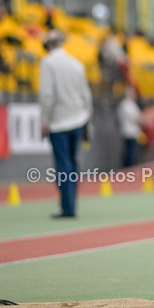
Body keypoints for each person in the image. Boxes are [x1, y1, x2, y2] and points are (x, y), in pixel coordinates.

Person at [39, 30, 92, 218]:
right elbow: (86, 94)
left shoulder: (48, 63)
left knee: (63, 165)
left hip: (59, 122)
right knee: (73, 163)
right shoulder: (76, 63)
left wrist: (45, 120)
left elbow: (47, 95)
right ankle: (71, 203)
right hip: (78, 119)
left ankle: (67, 207)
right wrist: (88, 119)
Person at [118, 87, 142, 168]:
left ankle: (128, 168)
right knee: (130, 152)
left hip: (126, 131)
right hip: (131, 132)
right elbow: (137, 119)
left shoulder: (123, 104)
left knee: (129, 151)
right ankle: (129, 169)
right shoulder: (129, 105)